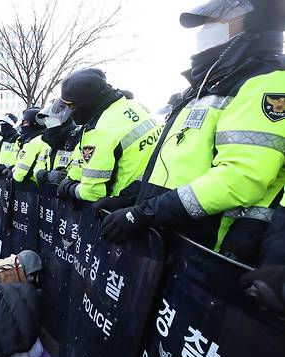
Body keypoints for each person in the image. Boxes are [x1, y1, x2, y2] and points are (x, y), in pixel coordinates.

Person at [99, 0, 285, 267]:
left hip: (204, 250)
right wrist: (131, 196)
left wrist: (147, 213)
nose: (203, 31)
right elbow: (175, 162)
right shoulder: (207, 85)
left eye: (213, 23)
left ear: (254, 21)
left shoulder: (266, 81)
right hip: (167, 240)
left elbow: (239, 178)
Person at [56, 68, 161, 203]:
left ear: (87, 102)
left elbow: (93, 192)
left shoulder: (100, 129)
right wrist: (71, 176)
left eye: (72, 106)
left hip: (122, 205)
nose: (70, 111)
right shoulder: (134, 105)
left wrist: (68, 188)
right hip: (152, 192)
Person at [35, 99, 80, 184]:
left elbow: (80, 169)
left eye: (50, 117)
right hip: (48, 193)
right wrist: (46, 176)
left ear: (63, 117)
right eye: (46, 117)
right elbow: (38, 166)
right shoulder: (48, 141)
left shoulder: (77, 137)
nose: (47, 120)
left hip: (67, 193)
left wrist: (65, 181)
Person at [12, 107, 48, 183]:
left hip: (31, 185)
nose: (23, 126)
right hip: (27, 186)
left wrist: (14, 176)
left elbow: (24, 169)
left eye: (25, 123)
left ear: (35, 123)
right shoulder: (26, 140)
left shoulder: (37, 140)